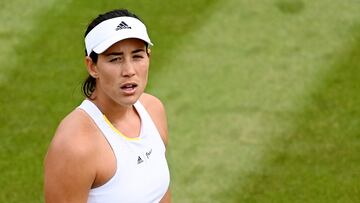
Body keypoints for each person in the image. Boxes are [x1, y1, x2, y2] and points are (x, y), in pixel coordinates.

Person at [44, 9, 171, 203]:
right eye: (115, 59)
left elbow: (160, 194)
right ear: (92, 66)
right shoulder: (75, 145)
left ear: (148, 57)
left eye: (137, 56)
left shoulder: (153, 109)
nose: (129, 71)